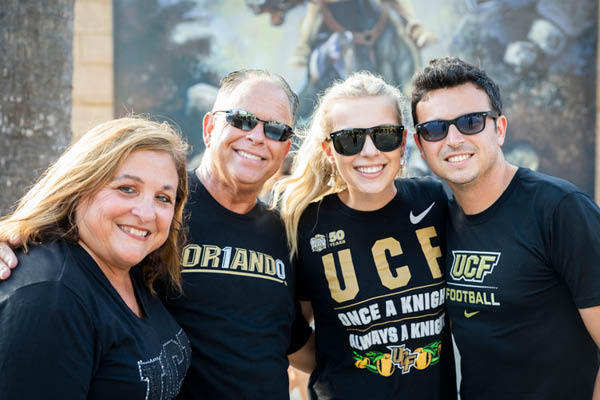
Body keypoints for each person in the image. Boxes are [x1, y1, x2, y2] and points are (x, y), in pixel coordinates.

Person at [0, 70, 314, 399]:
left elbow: (291, 337)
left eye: (275, 129)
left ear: (286, 147)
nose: (257, 136)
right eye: (243, 120)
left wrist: (368, 363)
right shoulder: (158, 216)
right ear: (209, 128)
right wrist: (16, 243)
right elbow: (62, 249)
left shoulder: (284, 233)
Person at [411, 56, 600, 399]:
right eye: (435, 129)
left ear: (499, 130)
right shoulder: (436, 218)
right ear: (421, 147)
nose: (453, 139)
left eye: (470, 122)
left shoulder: (560, 209)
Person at [272, 71, 456, 399]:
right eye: (350, 139)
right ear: (330, 150)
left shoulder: (434, 201)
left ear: (402, 142)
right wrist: (342, 362)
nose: (369, 151)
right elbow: (289, 330)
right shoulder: (306, 226)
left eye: (383, 135)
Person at [0, 117, 191, 399]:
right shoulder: (51, 297)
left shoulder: (133, 269)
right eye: (127, 189)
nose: (147, 213)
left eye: (163, 198)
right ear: (80, 187)